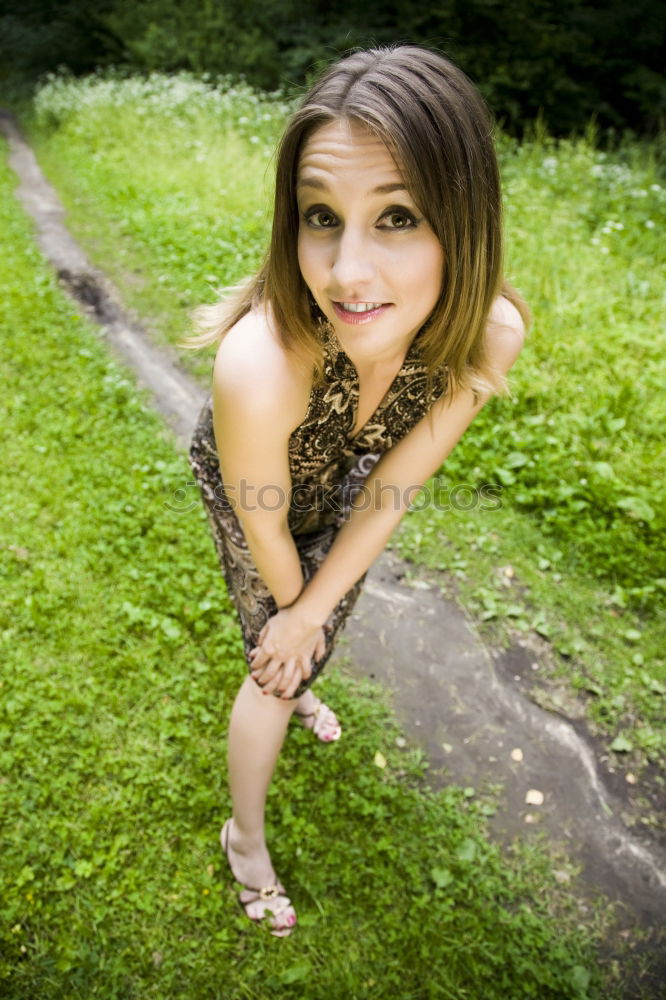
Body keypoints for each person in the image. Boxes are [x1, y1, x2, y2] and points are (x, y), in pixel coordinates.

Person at [187, 44, 529, 937]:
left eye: (400, 216)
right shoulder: (257, 367)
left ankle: (301, 678)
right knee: (272, 656)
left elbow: (395, 482)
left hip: (350, 483)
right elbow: (267, 524)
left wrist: (316, 616)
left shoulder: (490, 332)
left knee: (310, 627)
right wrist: (295, 622)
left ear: (466, 215)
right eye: (320, 216)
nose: (346, 274)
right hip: (256, 496)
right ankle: (245, 839)